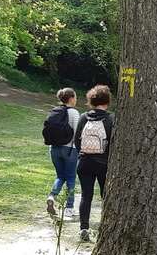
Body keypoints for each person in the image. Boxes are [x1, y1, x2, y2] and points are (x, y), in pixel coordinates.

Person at [75, 84, 114, 241]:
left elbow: (77, 140)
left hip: (84, 162)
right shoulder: (111, 119)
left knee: (86, 195)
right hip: (103, 163)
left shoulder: (83, 117)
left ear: (91, 100)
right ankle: (106, 226)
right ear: (107, 101)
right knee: (106, 196)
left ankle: (84, 228)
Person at [43, 87, 80, 220]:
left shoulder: (55, 111)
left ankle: (52, 196)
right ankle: (69, 208)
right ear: (71, 98)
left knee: (60, 175)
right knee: (70, 177)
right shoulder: (74, 113)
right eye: (75, 97)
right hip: (70, 149)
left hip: (54, 148)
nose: (76, 99)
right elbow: (77, 134)